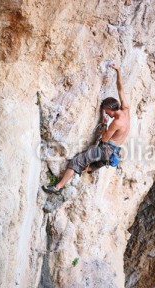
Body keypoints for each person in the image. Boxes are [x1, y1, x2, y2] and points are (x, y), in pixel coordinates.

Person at [42, 63, 130, 194]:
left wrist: (105, 124)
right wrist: (117, 70)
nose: (106, 114)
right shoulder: (126, 109)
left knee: (77, 161)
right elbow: (121, 89)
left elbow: (105, 139)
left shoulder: (116, 122)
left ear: (111, 109)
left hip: (107, 150)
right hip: (115, 151)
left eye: (106, 112)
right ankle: (89, 168)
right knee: (92, 164)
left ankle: (57, 188)